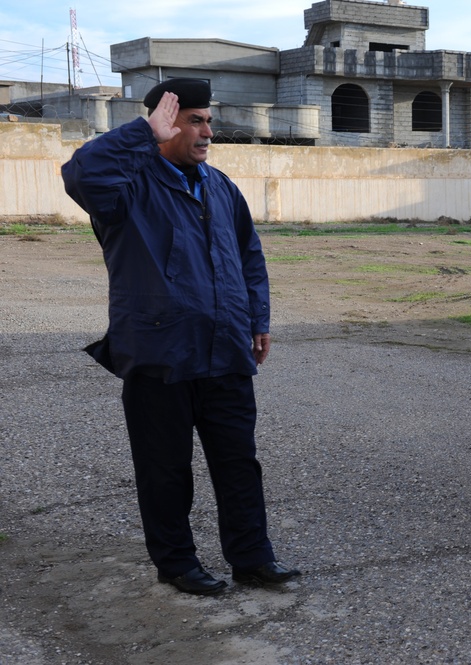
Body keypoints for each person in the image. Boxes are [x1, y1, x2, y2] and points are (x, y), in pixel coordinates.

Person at [61, 78, 300, 596]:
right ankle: (176, 563)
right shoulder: (126, 188)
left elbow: (248, 258)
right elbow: (82, 173)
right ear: (163, 126)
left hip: (226, 349)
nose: (206, 130)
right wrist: (141, 135)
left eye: (208, 120)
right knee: (165, 470)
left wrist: (257, 320)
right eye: (194, 120)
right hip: (158, 353)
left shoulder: (220, 187)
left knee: (239, 464)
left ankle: (252, 557)